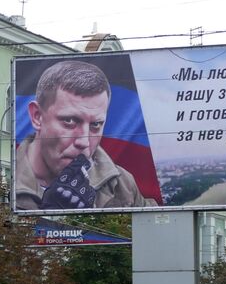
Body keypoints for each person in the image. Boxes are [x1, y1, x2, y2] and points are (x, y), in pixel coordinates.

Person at [14, 59, 153, 210]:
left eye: (95, 125)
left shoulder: (122, 184)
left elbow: (156, 228)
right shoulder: (3, 178)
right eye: (69, 121)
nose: (84, 141)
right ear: (37, 116)